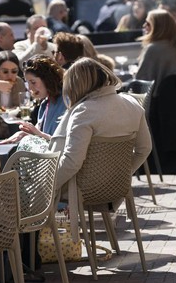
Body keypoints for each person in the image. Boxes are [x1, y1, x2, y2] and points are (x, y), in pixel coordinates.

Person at [48, 57, 152, 201]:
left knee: (32, 151)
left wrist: (46, 187)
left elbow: (72, 162)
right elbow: (144, 149)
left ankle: (29, 217)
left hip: (81, 190)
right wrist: (123, 175)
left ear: (76, 85)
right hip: (117, 186)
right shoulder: (132, 104)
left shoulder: (84, 112)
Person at [1, 55, 65, 143]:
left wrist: (37, 133)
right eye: (28, 83)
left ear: (47, 79)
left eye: (33, 82)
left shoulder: (66, 102)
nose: (30, 88)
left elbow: (63, 143)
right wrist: (24, 134)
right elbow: (40, 136)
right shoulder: (44, 104)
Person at [136, 9, 176, 94]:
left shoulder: (153, 49)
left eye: (148, 23)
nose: (144, 26)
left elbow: (140, 82)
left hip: (158, 102)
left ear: (157, 27)